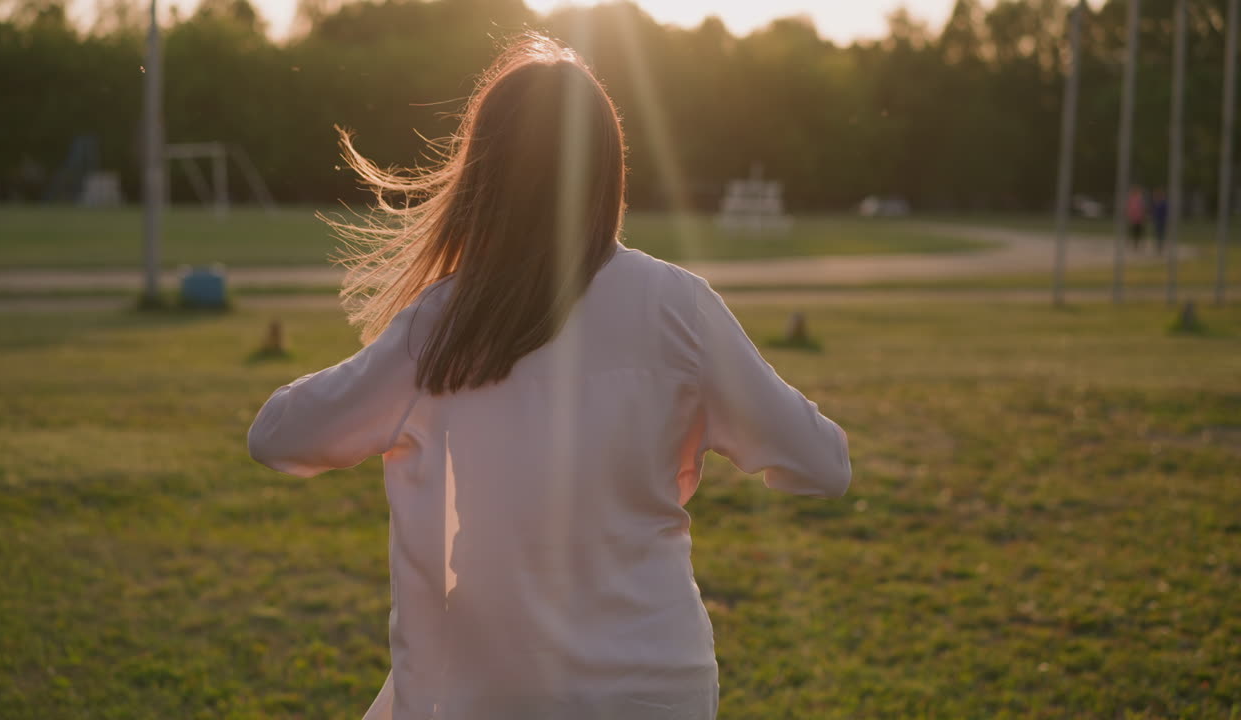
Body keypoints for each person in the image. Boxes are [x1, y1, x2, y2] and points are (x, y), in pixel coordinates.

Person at [248, 33, 851, 720]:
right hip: (655, 687)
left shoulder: (443, 322)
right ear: (606, 170)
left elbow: (276, 436)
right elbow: (824, 464)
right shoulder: (678, 307)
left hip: (491, 690)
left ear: (484, 177)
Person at [1126, 185, 1147, 250]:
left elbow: (1143, 208)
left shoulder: (1140, 199)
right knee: (1133, 232)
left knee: (1139, 232)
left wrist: (1143, 216)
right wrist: (1129, 215)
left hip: (1139, 218)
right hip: (1133, 218)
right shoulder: (1131, 199)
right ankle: (1133, 244)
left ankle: (1137, 244)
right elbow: (1129, 208)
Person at [1151, 187, 1169, 254]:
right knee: (1157, 233)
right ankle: (1158, 246)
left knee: (1161, 234)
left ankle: (1160, 246)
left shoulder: (1164, 203)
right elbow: (1154, 212)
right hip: (1157, 220)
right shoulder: (1156, 203)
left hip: (1162, 221)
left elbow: (1165, 212)